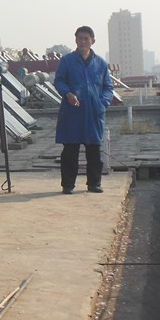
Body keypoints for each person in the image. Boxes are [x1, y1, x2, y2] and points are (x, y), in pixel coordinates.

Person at [54, 25, 114, 194]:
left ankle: (94, 183)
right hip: (72, 112)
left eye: (86, 39)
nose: (83, 42)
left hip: (94, 113)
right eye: (80, 38)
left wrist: (102, 103)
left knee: (94, 150)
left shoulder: (101, 63)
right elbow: (59, 81)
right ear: (76, 40)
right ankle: (68, 185)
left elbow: (108, 87)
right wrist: (67, 94)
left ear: (92, 41)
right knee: (70, 151)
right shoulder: (67, 61)